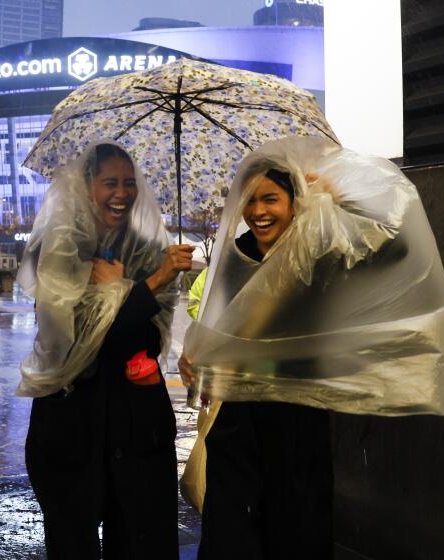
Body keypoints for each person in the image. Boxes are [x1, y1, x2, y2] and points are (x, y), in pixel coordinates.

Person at [18, 142, 194, 558]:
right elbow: (76, 336)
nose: (121, 193)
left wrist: (120, 291)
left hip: (135, 419)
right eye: (110, 183)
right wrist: (146, 285)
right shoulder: (60, 246)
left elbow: (150, 337)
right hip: (71, 419)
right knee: (71, 536)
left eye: (129, 184)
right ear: (86, 187)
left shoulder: (147, 246)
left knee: (138, 536)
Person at [179, 167, 334, 559]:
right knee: (232, 537)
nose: (258, 211)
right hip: (237, 428)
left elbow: (386, 244)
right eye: (249, 200)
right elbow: (211, 330)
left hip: (296, 426)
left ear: (294, 204)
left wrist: (336, 195)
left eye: (270, 199)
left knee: (293, 532)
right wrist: (195, 359)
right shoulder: (232, 261)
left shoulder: (316, 254)